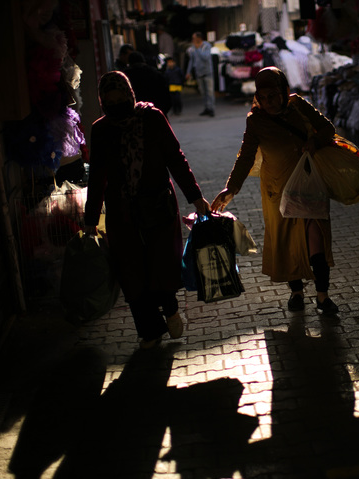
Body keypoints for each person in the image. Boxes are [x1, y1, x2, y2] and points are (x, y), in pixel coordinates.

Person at [84, 71, 211, 349]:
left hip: (157, 205)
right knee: (131, 272)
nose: (117, 104)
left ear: (131, 95)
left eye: (121, 98)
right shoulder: (102, 129)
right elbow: (97, 176)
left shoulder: (152, 118)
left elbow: (175, 158)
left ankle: (170, 307)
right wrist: (91, 218)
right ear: (103, 102)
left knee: (161, 264)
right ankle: (149, 330)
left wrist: (195, 196)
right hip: (122, 213)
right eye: (110, 101)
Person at [211, 67, 339, 315]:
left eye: (273, 96)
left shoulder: (299, 106)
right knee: (287, 243)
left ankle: (322, 296)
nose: (268, 102)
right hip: (276, 190)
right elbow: (246, 157)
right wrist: (231, 188)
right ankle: (297, 293)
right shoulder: (255, 120)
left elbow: (328, 129)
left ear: (284, 92)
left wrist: (315, 141)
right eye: (263, 97)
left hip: (309, 185)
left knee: (316, 239)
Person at [124, 51, 171, 116]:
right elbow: (167, 97)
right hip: (156, 115)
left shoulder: (125, 76)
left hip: (135, 117)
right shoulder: (155, 73)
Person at [185, 32, 215, 117]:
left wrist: (198, 49)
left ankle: (211, 108)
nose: (193, 40)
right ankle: (206, 108)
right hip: (199, 73)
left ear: (199, 38)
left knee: (210, 92)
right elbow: (191, 60)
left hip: (207, 73)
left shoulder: (206, 46)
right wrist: (188, 72)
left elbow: (205, 57)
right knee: (203, 93)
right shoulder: (192, 48)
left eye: (194, 38)